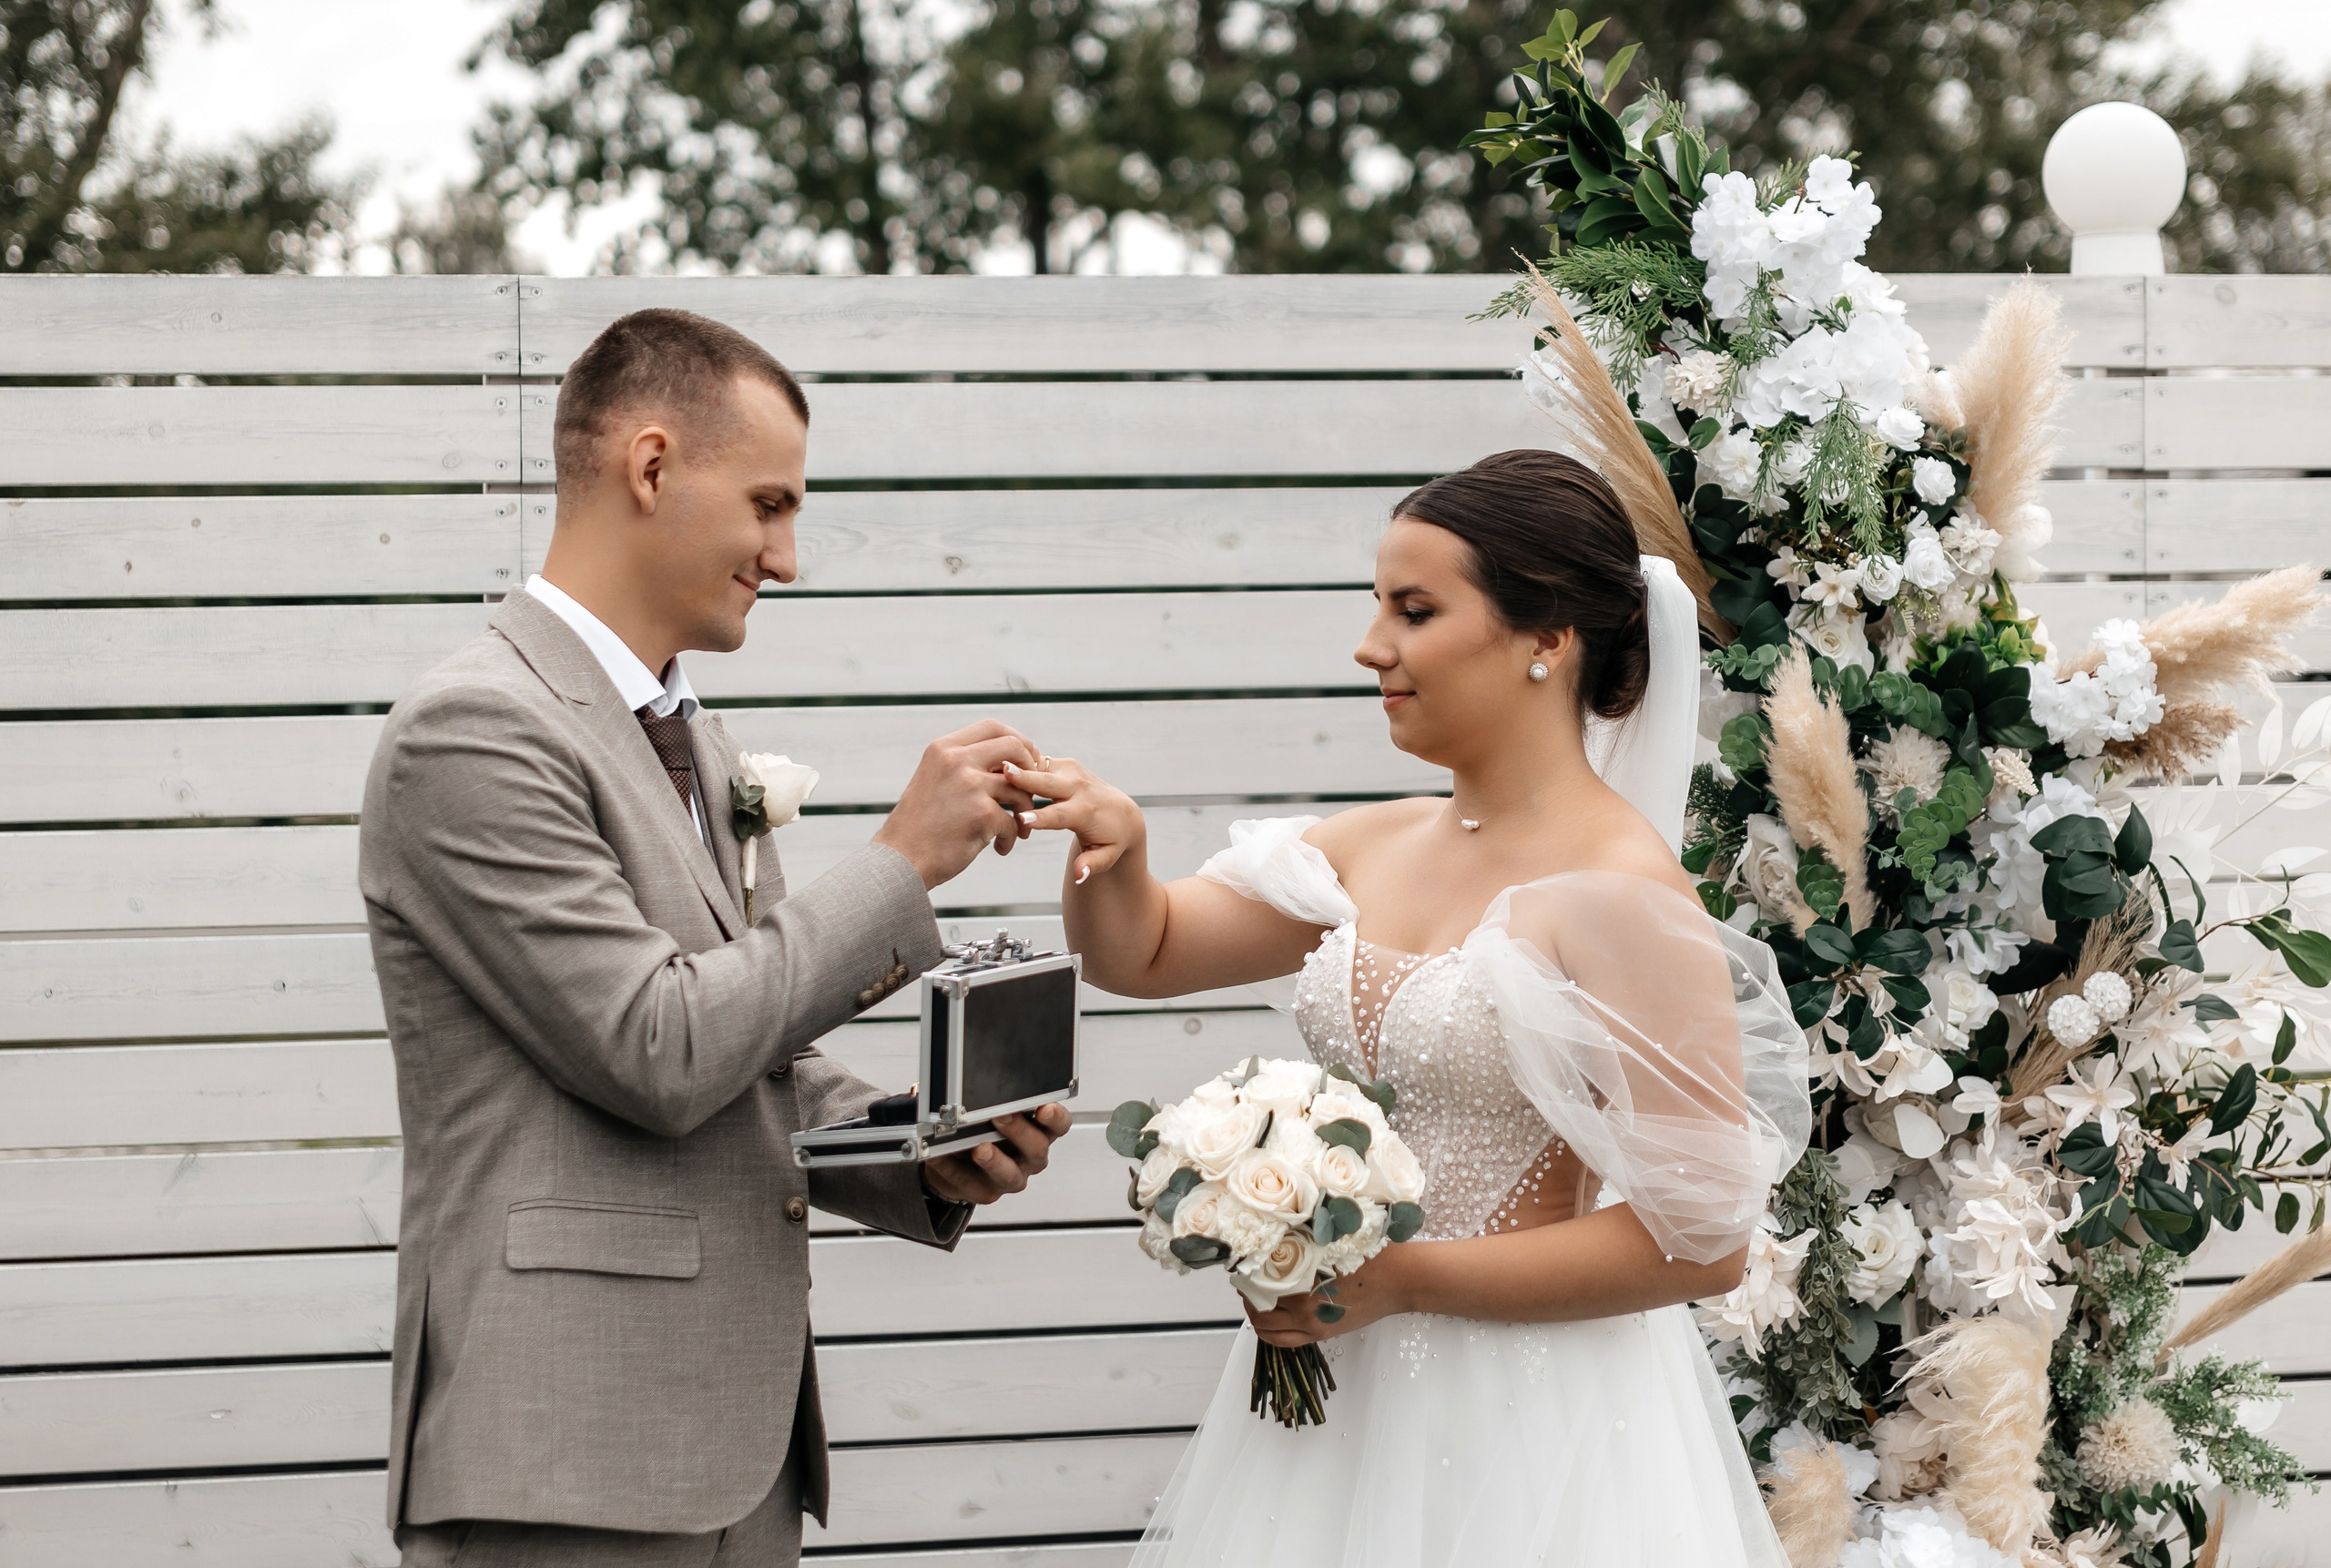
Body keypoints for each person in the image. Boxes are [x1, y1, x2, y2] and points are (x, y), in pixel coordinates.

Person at [359, 309, 1069, 1567]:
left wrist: (919, 1147)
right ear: (648, 467)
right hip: (569, 1456)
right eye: (768, 503)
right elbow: (659, 1044)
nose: (788, 557)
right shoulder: (471, 730)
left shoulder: (702, 741)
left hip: (743, 1458)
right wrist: (902, 861)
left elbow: (751, 1052)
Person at [1011, 449, 1811, 1565]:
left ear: (1547, 639)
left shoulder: (1622, 893)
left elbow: (1704, 1244)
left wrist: (1402, 1279)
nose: (1369, 644)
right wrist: (1114, 846)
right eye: (1376, 605)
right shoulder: (1370, 844)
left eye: (1414, 610)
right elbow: (1139, 952)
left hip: (1535, 1425)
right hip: (1335, 1396)